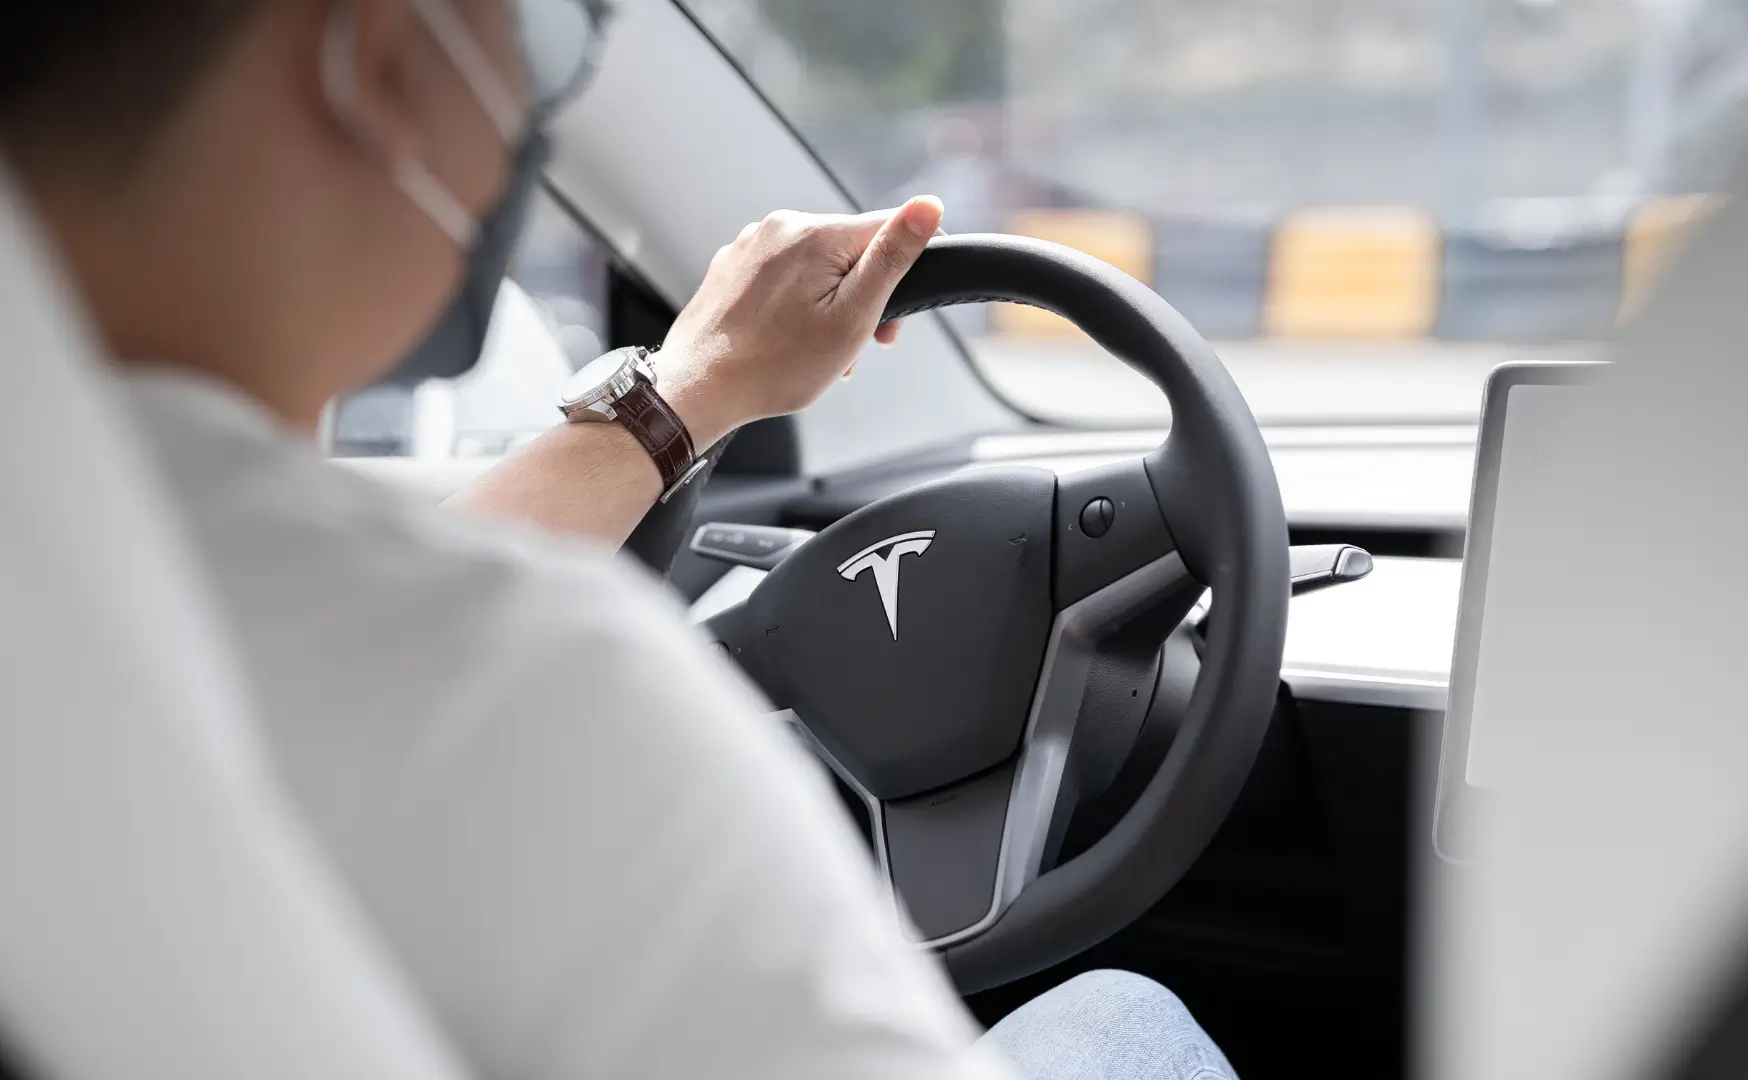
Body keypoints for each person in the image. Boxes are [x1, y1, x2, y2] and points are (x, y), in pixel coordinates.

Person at [0, 2, 1240, 1079]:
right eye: (544, 36)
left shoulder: (95, 577)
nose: (537, 107)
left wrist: (689, 391)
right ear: (376, 62)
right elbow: (421, 642)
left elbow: (348, 622)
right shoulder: (538, 692)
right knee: (1120, 1018)